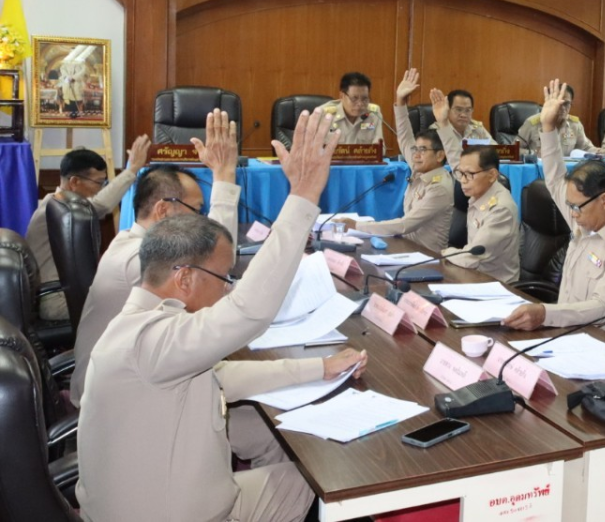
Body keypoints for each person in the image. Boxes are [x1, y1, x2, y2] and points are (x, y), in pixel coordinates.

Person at [76, 110, 368, 522]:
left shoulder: (146, 320)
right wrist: (303, 195)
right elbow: (249, 309)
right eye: (222, 278)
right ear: (185, 279)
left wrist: (319, 367)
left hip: (143, 497)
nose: (228, 288)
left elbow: (219, 378)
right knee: (318, 474)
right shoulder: (151, 342)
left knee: (277, 442)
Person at [70, 111, 242, 407]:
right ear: (164, 211)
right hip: (117, 403)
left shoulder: (130, 242)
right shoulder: (138, 259)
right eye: (198, 210)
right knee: (268, 425)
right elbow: (214, 263)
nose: (203, 221)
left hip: (133, 381)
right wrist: (224, 176)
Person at [503, 79, 605, 339]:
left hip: (603, 345)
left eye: (576, 208)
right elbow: (555, 178)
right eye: (570, 207)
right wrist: (547, 127)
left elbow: (602, 307)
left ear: (604, 200)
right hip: (564, 333)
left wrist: (546, 314)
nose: (572, 214)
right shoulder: (585, 217)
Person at [24, 135, 150, 321]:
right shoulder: (59, 210)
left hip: (62, 293)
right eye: (99, 183)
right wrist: (132, 169)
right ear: (74, 182)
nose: (100, 188)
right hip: (56, 300)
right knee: (134, 307)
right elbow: (101, 205)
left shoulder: (56, 204)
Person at [340, 69, 454, 251]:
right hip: (407, 248)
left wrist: (356, 226)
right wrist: (400, 101)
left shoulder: (439, 187)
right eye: (416, 149)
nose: (415, 154)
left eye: (422, 150)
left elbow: (404, 225)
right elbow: (404, 136)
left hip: (427, 258)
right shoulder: (421, 167)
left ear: (440, 155)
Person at [432, 88, 520, 282]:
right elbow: (458, 160)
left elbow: (473, 256)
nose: (462, 180)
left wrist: (443, 253)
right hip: (473, 275)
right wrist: (444, 123)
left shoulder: (500, 209)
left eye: (469, 175)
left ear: (492, 175)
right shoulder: (478, 187)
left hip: (498, 286)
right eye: (461, 174)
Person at [516, 83, 605, 157]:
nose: (562, 108)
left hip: (567, 172)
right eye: (558, 103)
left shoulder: (575, 124)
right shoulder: (533, 123)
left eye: (566, 104)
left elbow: (587, 148)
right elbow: (514, 150)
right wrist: (533, 153)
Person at [315, 71, 385, 152]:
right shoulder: (324, 115)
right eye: (354, 98)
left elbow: (380, 150)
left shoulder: (373, 114)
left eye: (364, 99)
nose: (360, 104)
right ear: (342, 96)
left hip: (363, 163)